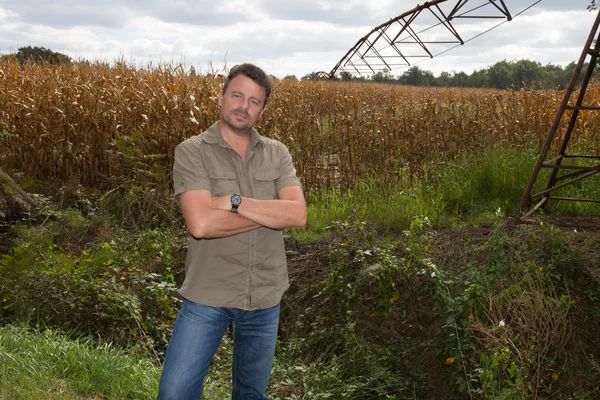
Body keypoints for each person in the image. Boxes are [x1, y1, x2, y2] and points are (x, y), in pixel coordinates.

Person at [157, 63, 306, 400]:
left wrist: (233, 201)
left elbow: (297, 214)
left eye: (254, 101)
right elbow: (202, 224)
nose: (244, 106)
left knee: (251, 394)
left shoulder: (277, 153)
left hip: (265, 295)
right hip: (209, 293)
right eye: (237, 95)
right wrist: (270, 212)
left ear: (262, 110)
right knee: (175, 393)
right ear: (221, 96)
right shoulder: (192, 151)